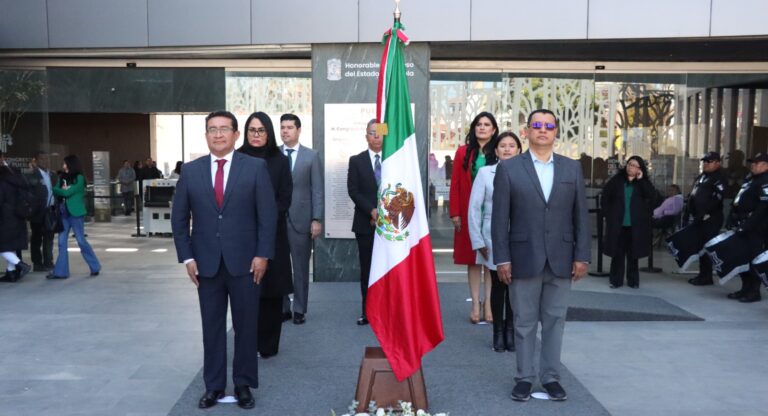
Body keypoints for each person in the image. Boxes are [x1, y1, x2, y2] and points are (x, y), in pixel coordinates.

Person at [171, 110, 277, 409]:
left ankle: (243, 384)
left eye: (224, 129)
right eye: (212, 129)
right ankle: (214, 386)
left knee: (246, 326)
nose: (218, 134)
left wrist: (262, 254)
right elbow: (179, 220)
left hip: (246, 263)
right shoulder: (191, 171)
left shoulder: (255, 168)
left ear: (235, 134)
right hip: (206, 264)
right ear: (206, 135)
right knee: (212, 327)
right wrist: (187, 257)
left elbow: (267, 217)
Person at [491, 109, 590, 402]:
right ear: (527, 131)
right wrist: (502, 258)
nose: (543, 130)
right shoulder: (509, 169)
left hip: (562, 257)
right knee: (523, 321)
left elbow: (581, 217)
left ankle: (550, 378)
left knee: (555, 321)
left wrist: (582, 255)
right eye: (537, 125)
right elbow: (499, 219)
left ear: (556, 131)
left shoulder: (572, 169)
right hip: (522, 257)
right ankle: (524, 378)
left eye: (549, 126)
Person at [238, 111, 294, 358]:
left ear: (268, 133)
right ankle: (248, 342)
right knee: (246, 292)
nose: (257, 135)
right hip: (242, 236)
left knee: (271, 292)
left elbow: (285, 198)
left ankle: (269, 346)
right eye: (252, 130)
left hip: (273, 236)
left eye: (261, 130)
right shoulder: (236, 158)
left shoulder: (279, 160)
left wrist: (266, 219)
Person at [468, 132, 521, 352]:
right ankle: (498, 332)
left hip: (520, 239)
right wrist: (478, 240)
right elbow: (474, 209)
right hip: (492, 238)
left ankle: (511, 331)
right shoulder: (485, 173)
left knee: (516, 289)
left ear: (519, 150)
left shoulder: (527, 173)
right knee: (498, 287)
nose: (507, 149)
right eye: (503, 146)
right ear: (496, 150)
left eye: (512, 146)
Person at [450, 112, 499, 324]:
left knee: (490, 260)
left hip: (491, 212)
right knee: (472, 260)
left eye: (487, 124)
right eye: (479, 124)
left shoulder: (498, 152)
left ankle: (489, 303)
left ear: (494, 130)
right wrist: (455, 213)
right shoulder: (463, 152)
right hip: (468, 212)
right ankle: (475, 304)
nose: (482, 128)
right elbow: (456, 184)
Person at [279, 113, 323, 325]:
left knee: (300, 267)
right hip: (277, 220)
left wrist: (316, 218)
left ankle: (299, 309)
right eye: (283, 127)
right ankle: (283, 307)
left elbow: (317, 190)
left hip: (302, 220)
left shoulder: (311, 156)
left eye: (289, 127)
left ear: (298, 130)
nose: (285, 131)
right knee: (279, 266)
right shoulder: (274, 155)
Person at [601, 156, 657, 289]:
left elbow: (652, 196)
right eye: (630, 164)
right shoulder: (617, 180)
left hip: (635, 225)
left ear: (640, 169)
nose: (631, 167)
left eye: (635, 165)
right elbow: (605, 197)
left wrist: (641, 179)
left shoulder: (642, 182)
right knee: (617, 253)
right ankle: (615, 280)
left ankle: (633, 281)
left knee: (633, 254)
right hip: (618, 224)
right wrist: (607, 214)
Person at [347, 119, 381, 326]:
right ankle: (367, 311)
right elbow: (353, 190)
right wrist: (371, 210)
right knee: (368, 268)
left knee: (389, 269)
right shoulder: (356, 160)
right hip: (365, 223)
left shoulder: (395, 160)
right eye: (372, 132)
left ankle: (388, 310)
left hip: (392, 226)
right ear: (366, 136)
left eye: (380, 132)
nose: (376, 136)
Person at [723, 152, 768, 303]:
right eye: (752, 163)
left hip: (756, 227)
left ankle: (754, 292)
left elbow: (763, 208)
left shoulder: (765, 181)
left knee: (753, 259)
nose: (753, 166)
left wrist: (747, 226)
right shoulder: (751, 179)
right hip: (742, 223)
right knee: (741, 257)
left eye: (757, 163)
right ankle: (744, 288)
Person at [47, 155, 101, 279]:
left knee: (81, 241)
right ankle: (60, 272)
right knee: (61, 242)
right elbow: (56, 189)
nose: (63, 165)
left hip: (76, 214)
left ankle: (95, 267)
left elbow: (65, 192)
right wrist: (61, 190)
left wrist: (62, 190)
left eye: (65, 163)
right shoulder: (62, 177)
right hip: (63, 214)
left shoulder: (80, 178)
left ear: (71, 164)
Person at [685, 152, 726, 286]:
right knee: (700, 247)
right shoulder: (702, 177)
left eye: (709, 162)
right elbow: (694, 194)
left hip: (710, 218)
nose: (706, 164)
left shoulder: (719, 177)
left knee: (707, 247)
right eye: (705, 162)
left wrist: (704, 213)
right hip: (698, 218)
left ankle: (706, 276)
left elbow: (717, 198)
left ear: (717, 163)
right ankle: (703, 274)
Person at [0, 161, 32, 282]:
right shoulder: (15, 175)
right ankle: (11, 272)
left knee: (2, 246)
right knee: (10, 245)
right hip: (18, 215)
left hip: (4, 217)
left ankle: (20, 265)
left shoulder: (2, 179)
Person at [27, 151, 56, 271]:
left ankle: (48, 262)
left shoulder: (53, 175)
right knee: (36, 238)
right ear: (36, 161)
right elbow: (28, 194)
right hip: (37, 212)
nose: (45, 161)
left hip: (50, 211)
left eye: (47, 159)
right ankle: (37, 263)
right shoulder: (32, 175)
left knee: (49, 237)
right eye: (42, 159)